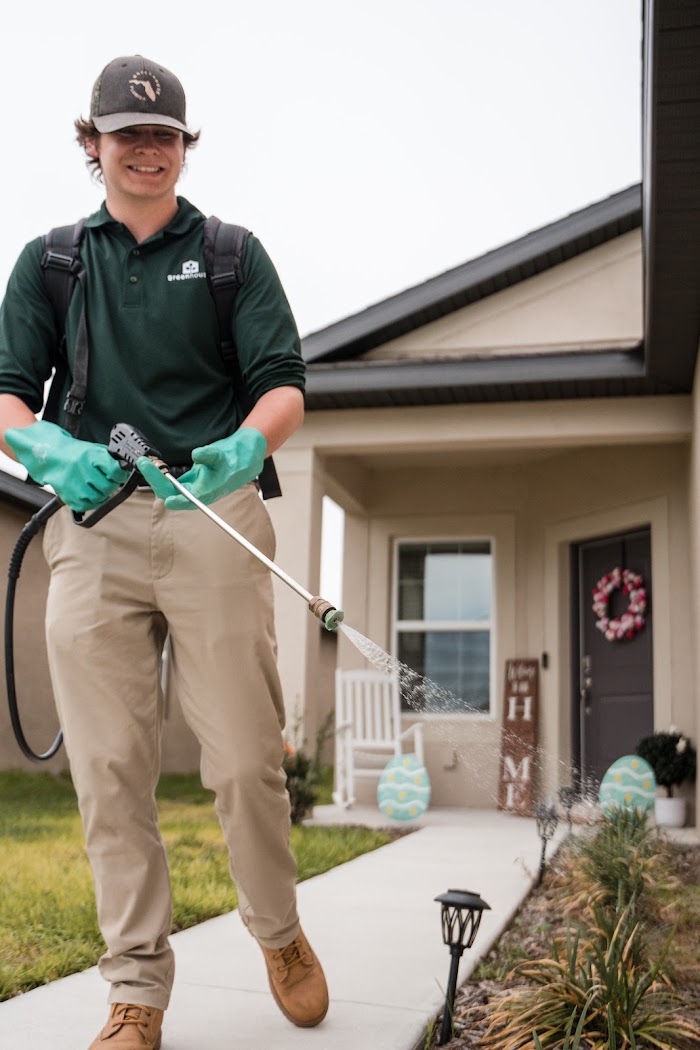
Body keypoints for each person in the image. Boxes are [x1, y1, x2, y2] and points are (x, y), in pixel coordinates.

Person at [0, 55, 328, 1050]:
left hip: (211, 513)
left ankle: (278, 932)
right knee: (109, 769)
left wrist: (246, 449)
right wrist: (49, 450)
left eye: (164, 136)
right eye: (127, 134)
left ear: (184, 147)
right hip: (94, 525)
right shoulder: (52, 263)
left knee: (244, 761)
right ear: (92, 143)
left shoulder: (232, 254)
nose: (147, 150)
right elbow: (6, 395)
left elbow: (283, 384)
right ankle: (136, 990)